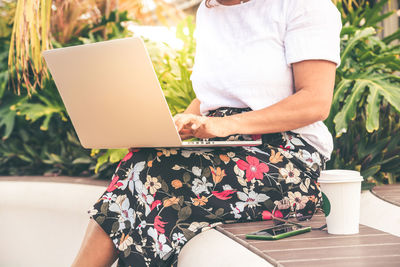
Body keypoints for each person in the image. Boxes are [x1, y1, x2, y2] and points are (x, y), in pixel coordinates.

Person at [72, 0, 342, 266]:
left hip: (287, 161)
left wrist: (227, 125)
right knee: (140, 162)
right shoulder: (209, 11)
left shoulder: (305, 5)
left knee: (150, 174)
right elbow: (212, 98)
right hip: (223, 149)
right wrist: (177, 127)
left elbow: (315, 102)